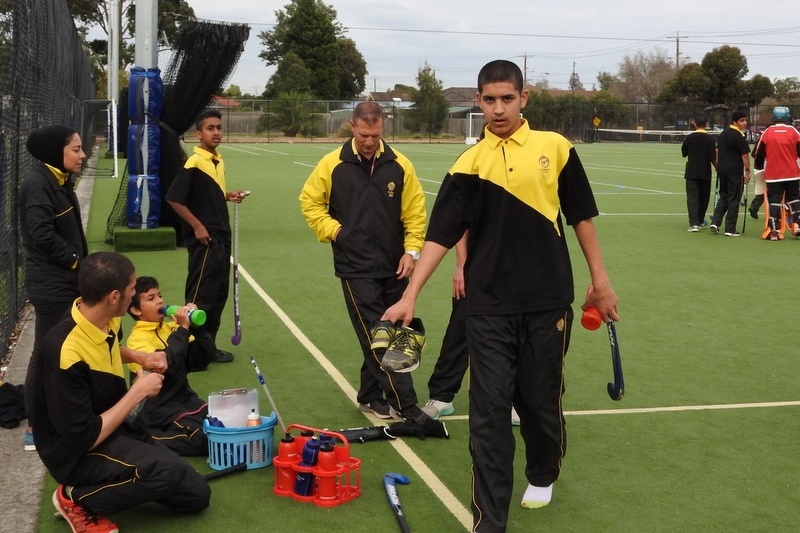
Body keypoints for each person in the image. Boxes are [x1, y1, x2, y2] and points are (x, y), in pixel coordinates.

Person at [381, 60, 619, 533]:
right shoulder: (468, 164)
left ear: (523, 98)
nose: (498, 109)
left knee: (538, 399)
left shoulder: (557, 148)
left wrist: (601, 281)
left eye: (506, 98)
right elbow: (440, 236)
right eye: (489, 100)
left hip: (548, 300)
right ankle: (490, 519)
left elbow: (582, 219)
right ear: (478, 102)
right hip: (487, 307)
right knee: (489, 413)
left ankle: (543, 471)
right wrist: (410, 295)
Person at [29, 251, 210, 533]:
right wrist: (138, 391)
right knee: (168, 471)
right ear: (114, 297)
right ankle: (74, 497)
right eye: (131, 290)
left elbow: (109, 347)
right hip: (76, 453)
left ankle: (125, 480)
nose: (134, 294)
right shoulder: (65, 349)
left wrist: (140, 357)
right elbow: (84, 437)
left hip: (114, 428)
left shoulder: (100, 316)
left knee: (196, 495)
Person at [299, 101, 432, 425]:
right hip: (354, 267)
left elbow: (415, 213)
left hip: (394, 266)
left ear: (382, 129)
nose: (369, 141)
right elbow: (310, 202)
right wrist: (337, 232)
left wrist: (411, 252)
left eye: (374, 135)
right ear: (353, 128)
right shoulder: (332, 164)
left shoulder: (400, 165)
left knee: (395, 334)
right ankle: (406, 406)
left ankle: (370, 395)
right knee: (379, 337)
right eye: (362, 135)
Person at [19, 124, 89, 452]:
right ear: (55, 152)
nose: (82, 154)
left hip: (65, 282)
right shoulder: (38, 185)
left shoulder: (58, 180)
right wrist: (76, 261)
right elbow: (40, 234)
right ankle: (36, 426)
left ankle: (60, 416)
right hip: (51, 286)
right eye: (75, 149)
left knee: (61, 350)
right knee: (44, 353)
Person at [166, 109, 249, 363]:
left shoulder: (217, 160)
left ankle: (207, 348)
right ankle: (191, 351)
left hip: (221, 239)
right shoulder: (194, 162)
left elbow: (207, 193)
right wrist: (197, 226)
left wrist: (227, 195)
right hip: (206, 241)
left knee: (217, 295)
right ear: (198, 134)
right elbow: (174, 198)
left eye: (219, 128)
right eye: (210, 128)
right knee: (200, 297)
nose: (216, 132)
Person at [421, 234, 521, 425]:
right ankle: (442, 396)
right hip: (478, 266)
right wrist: (462, 265)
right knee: (460, 330)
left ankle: (512, 401)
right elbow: (462, 224)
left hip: (518, 268)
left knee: (516, 332)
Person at [126, 276, 214, 456]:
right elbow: (163, 366)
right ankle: (139, 437)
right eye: (151, 298)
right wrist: (182, 330)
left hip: (186, 401)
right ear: (135, 309)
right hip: (158, 412)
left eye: (159, 295)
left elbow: (201, 360)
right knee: (202, 439)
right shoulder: (136, 341)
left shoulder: (171, 328)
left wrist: (197, 328)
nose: (160, 300)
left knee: (222, 426)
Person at [752, 106, 800, 240]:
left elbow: (758, 154)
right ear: (787, 117)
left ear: (773, 117)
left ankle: (774, 231)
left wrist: (759, 169)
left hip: (773, 174)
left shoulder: (767, 132)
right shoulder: (794, 132)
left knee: (775, 201)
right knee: (794, 198)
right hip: (793, 173)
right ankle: (797, 225)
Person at [709, 111, 751, 237]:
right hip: (734, 171)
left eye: (745, 120)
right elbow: (744, 155)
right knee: (734, 198)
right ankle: (730, 228)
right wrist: (748, 170)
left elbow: (717, 151)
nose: (744, 123)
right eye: (742, 121)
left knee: (724, 196)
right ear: (734, 122)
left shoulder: (723, 133)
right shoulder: (739, 135)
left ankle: (716, 222)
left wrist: (718, 165)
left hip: (723, 170)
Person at [680, 115, 717, 232]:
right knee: (704, 197)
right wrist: (719, 168)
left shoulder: (690, 138)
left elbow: (683, 153)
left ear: (694, 124)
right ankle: (700, 220)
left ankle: (694, 224)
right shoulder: (710, 139)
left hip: (691, 172)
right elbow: (713, 157)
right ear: (706, 124)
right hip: (705, 172)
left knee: (692, 198)